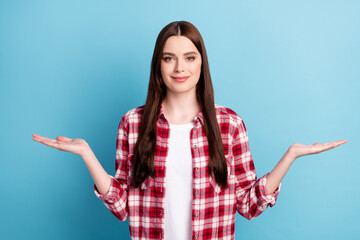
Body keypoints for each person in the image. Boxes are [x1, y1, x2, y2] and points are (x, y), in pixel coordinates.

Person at [32, 21, 347, 240]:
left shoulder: (229, 125)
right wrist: (87, 154)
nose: (179, 68)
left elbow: (248, 205)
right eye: (169, 58)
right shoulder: (133, 123)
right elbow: (122, 207)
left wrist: (290, 156)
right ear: (159, 65)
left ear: (201, 64)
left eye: (189, 57)